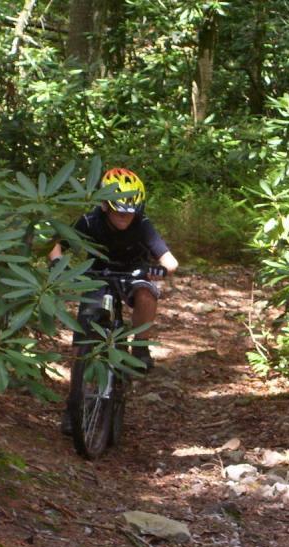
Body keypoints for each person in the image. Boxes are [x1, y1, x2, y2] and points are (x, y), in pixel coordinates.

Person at [48, 167, 178, 434]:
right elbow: (56, 244)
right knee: (83, 339)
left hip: (133, 272)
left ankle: (139, 346)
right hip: (97, 274)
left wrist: (160, 270)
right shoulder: (89, 221)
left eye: (130, 211)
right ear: (105, 206)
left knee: (146, 291)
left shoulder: (142, 224)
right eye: (119, 211)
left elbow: (170, 261)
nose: (125, 217)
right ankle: (74, 405)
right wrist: (58, 264)